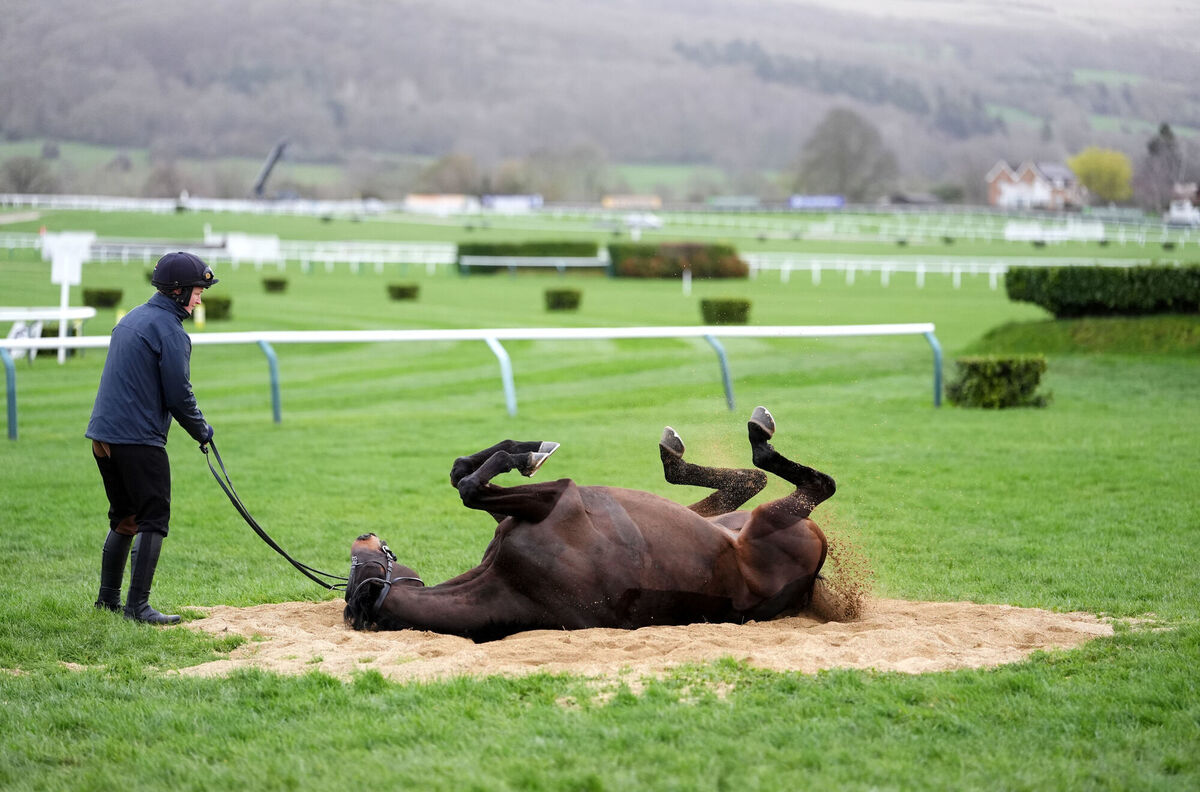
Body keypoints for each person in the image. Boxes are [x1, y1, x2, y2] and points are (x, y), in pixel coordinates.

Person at [86, 251, 218, 624]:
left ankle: (108, 601)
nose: (199, 297)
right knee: (153, 518)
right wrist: (202, 431)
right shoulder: (171, 332)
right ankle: (137, 608)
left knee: (125, 518)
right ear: (177, 291)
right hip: (138, 440)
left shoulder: (132, 319)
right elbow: (179, 394)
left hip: (103, 438)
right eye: (197, 290)